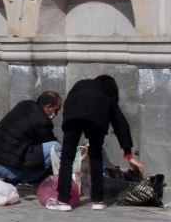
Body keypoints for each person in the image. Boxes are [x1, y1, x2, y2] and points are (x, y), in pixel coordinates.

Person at [48, 75, 145, 212]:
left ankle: (63, 200)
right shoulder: (107, 94)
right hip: (97, 120)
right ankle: (98, 201)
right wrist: (128, 154)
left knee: (67, 157)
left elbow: (69, 103)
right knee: (96, 156)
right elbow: (120, 124)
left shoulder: (80, 84)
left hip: (72, 116)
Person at [0, 92, 63, 185]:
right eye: (56, 110)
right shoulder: (42, 120)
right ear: (49, 106)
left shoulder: (24, 105)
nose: (56, 114)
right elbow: (50, 140)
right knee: (56, 147)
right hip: (6, 170)